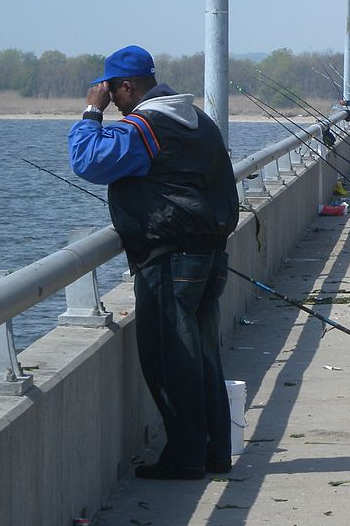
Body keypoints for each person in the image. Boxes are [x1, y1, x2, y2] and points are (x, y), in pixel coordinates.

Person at [68, 45, 239, 480]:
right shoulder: (197, 120)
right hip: (209, 252)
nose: (111, 100)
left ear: (125, 87)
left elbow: (88, 161)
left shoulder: (147, 125)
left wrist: (91, 112)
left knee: (170, 357)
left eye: (112, 92)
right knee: (203, 356)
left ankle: (185, 458)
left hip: (169, 257)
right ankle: (216, 452)